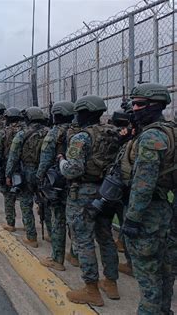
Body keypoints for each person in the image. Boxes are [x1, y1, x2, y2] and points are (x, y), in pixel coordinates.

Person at [58, 95, 121, 306]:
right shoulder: (113, 133)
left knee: (83, 239)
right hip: (108, 192)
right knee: (105, 237)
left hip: (84, 192)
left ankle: (91, 289)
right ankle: (111, 282)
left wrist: (61, 161)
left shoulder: (81, 138)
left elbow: (72, 170)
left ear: (83, 112)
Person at [120, 83, 175, 314]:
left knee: (148, 275)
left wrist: (132, 219)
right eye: (134, 104)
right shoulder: (170, 129)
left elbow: (144, 182)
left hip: (148, 213)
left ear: (156, 106)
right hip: (164, 210)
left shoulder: (152, 136)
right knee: (164, 270)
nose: (134, 108)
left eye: (140, 104)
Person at [36, 101, 75, 271]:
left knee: (58, 218)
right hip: (77, 183)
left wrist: (39, 179)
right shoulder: (79, 132)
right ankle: (75, 255)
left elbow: (45, 159)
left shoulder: (54, 133)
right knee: (75, 221)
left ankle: (57, 259)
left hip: (57, 182)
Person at [6, 107, 49, 248]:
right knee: (46, 203)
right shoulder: (50, 133)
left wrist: (9, 175)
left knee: (26, 203)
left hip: (27, 172)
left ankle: (31, 236)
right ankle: (50, 233)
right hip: (47, 174)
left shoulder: (21, 135)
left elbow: (13, 157)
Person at [0, 107, 25, 232]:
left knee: (8, 196)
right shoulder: (25, 131)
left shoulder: (3, 133)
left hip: (8, 166)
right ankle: (28, 225)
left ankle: (11, 223)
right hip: (25, 167)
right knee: (25, 197)